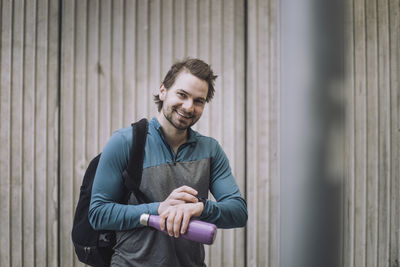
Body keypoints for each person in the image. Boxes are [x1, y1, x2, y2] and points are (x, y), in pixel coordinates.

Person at [89, 58, 248, 266]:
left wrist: (201, 208)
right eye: (182, 95)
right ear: (163, 91)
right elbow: (98, 214)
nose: (189, 107)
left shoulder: (210, 150)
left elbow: (238, 212)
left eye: (198, 101)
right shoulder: (124, 142)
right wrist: (159, 209)